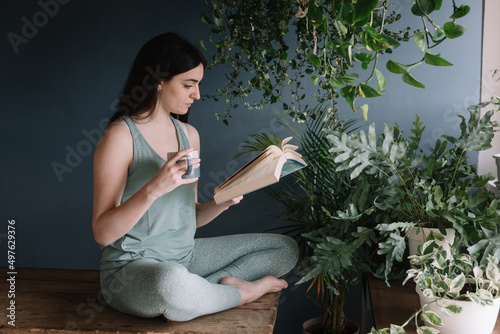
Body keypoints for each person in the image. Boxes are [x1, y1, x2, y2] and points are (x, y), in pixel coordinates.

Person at [92, 32, 298, 322]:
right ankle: (243, 293)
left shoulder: (189, 136)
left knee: (284, 249)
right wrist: (153, 189)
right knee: (172, 282)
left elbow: (192, 217)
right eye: (189, 85)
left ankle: (203, 293)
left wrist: (223, 202)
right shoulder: (120, 137)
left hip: (186, 258)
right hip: (131, 270)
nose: (197, 95)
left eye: (198, 85)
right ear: (159, 81)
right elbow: (102, 234)